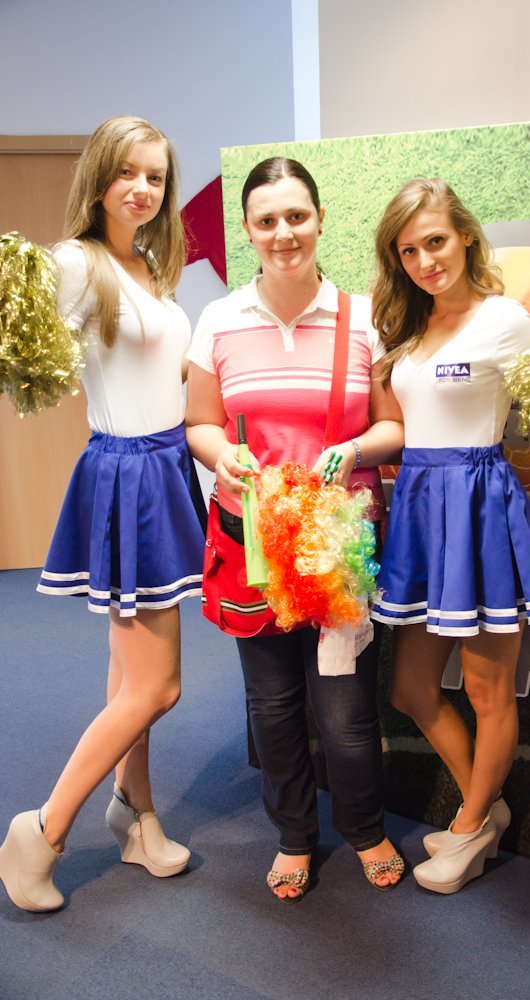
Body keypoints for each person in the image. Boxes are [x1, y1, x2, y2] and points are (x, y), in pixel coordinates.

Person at [186, 157, 405, 902]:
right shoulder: (219, 320)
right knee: (273, 703)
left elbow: (392, 426)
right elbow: (199, 423)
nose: (284, 233)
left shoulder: (362, 318)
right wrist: (223, 454)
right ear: (248, 230)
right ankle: (292, 836)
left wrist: (356, 450)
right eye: (267, 220)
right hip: (252, 544)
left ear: (319, 219)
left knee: (345, 708)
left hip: (336, 548)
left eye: (297, 216)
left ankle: (365, 828)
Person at [0, 116, 205, 913]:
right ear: (98, 177)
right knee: (158, 688)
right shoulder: (76, 263)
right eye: (127, 172)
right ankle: (39, 833)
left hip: (165, 467)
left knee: (128, 674)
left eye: (155, 175)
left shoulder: (147, 263)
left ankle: (135, 813)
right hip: (128, 476)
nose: (142, 188)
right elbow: (25, 348)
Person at [370, 178, 530, 894]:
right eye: (409, 251)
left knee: (489, 690)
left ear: (464, 237)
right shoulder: (405, 329)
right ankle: (484, 809)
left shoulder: (505, 319)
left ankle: (469, 823)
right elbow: (398, 427)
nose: (426, 260)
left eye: (436, 242)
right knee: (410, 688)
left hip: (481, 511)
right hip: (420, 510)